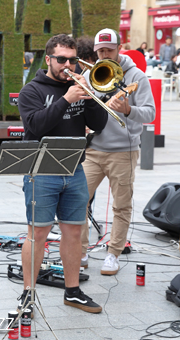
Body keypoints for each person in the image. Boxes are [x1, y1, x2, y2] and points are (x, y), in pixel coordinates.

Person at [17, 34, 108, 316]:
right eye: (61, 59)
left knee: (73, 232)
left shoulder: (79, 85)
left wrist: (89, 96)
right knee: (38, 233)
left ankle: (73, 292)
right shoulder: (31, 91)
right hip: (41, 171)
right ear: (48, 59)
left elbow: (99, 124)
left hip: (74, 169)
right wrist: (67, 99)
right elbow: (35, 126)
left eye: (72, 60)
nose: (68, 65)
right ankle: (28, 294)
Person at [80, 28, 156, 274]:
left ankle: (113, 253)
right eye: (100, 51)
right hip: (93, 149)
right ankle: (80, 252)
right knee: (78, 201)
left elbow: (150, 113)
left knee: (121, 206)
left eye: (109, 50)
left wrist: (128, 111)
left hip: (123, 151)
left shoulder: (138, 77)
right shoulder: (89, 73)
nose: (104, 55)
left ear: (119, 48)